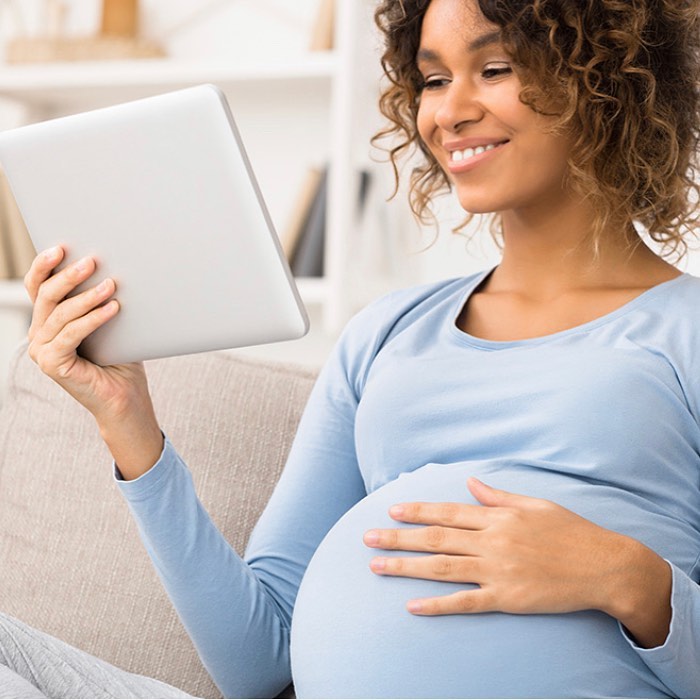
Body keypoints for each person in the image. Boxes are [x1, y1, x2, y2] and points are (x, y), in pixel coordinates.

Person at [4, 0, 699, 697]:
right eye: (431, 80)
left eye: (492, 69)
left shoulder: (684, 328)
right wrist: (127, 422)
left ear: (608, 80)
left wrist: (628, 577)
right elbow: (256, 661)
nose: (448, 112)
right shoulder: (386, 333)